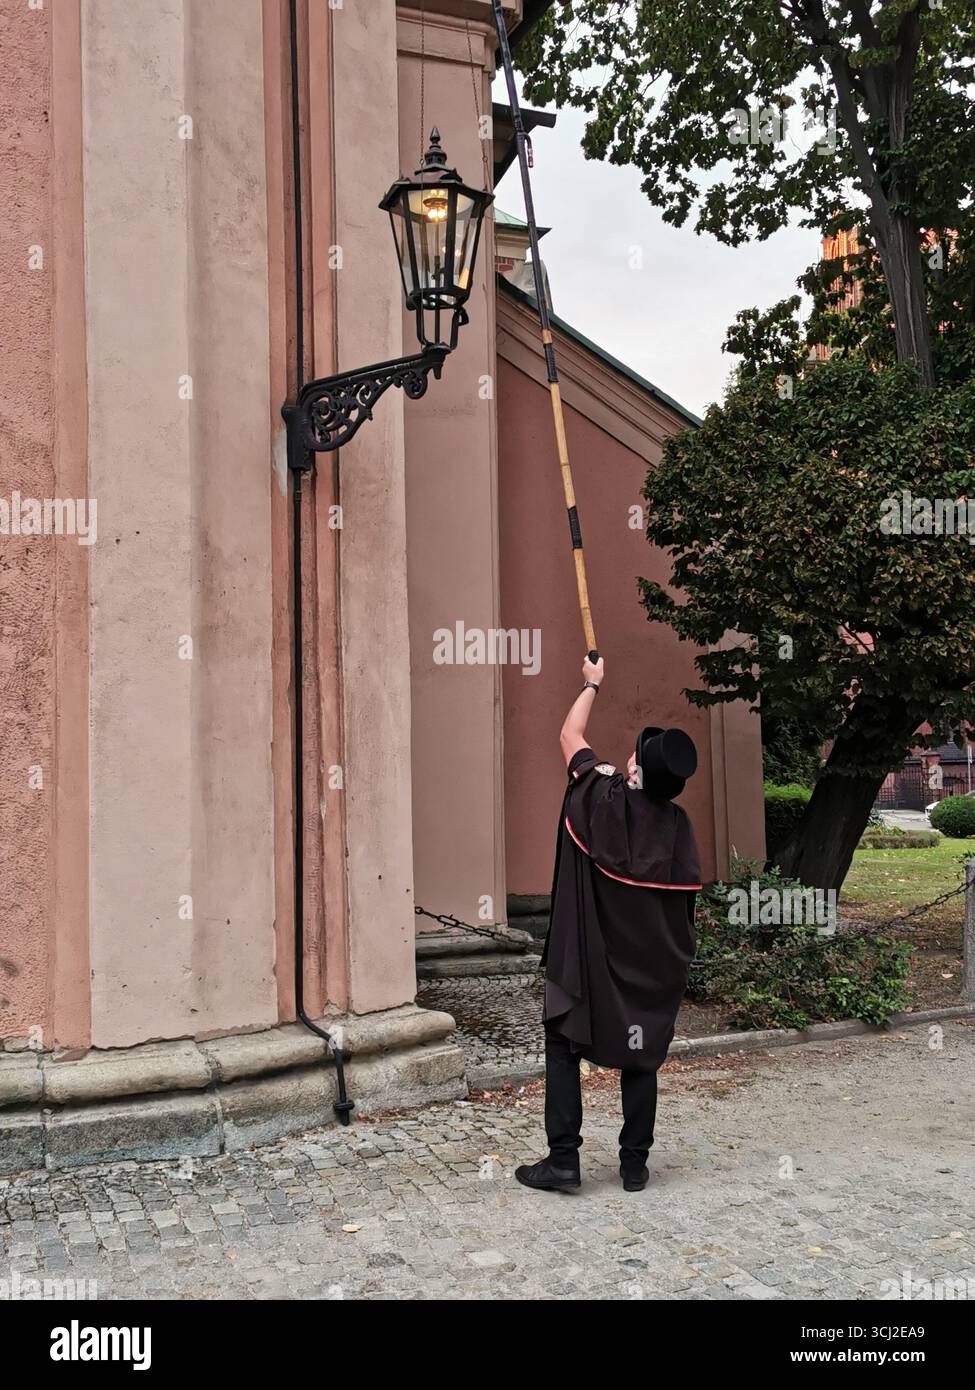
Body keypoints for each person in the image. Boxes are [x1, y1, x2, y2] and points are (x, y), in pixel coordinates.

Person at [515, 654, 702, 1194]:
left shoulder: (602, 796)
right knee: (642, 1054)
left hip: (592, 965)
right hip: (652, 967)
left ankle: (564, 1160)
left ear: (636, 771)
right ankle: (634, 1166)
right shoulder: (680, 831)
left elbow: (569, 733)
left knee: (561, 1040)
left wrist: (591, 682)